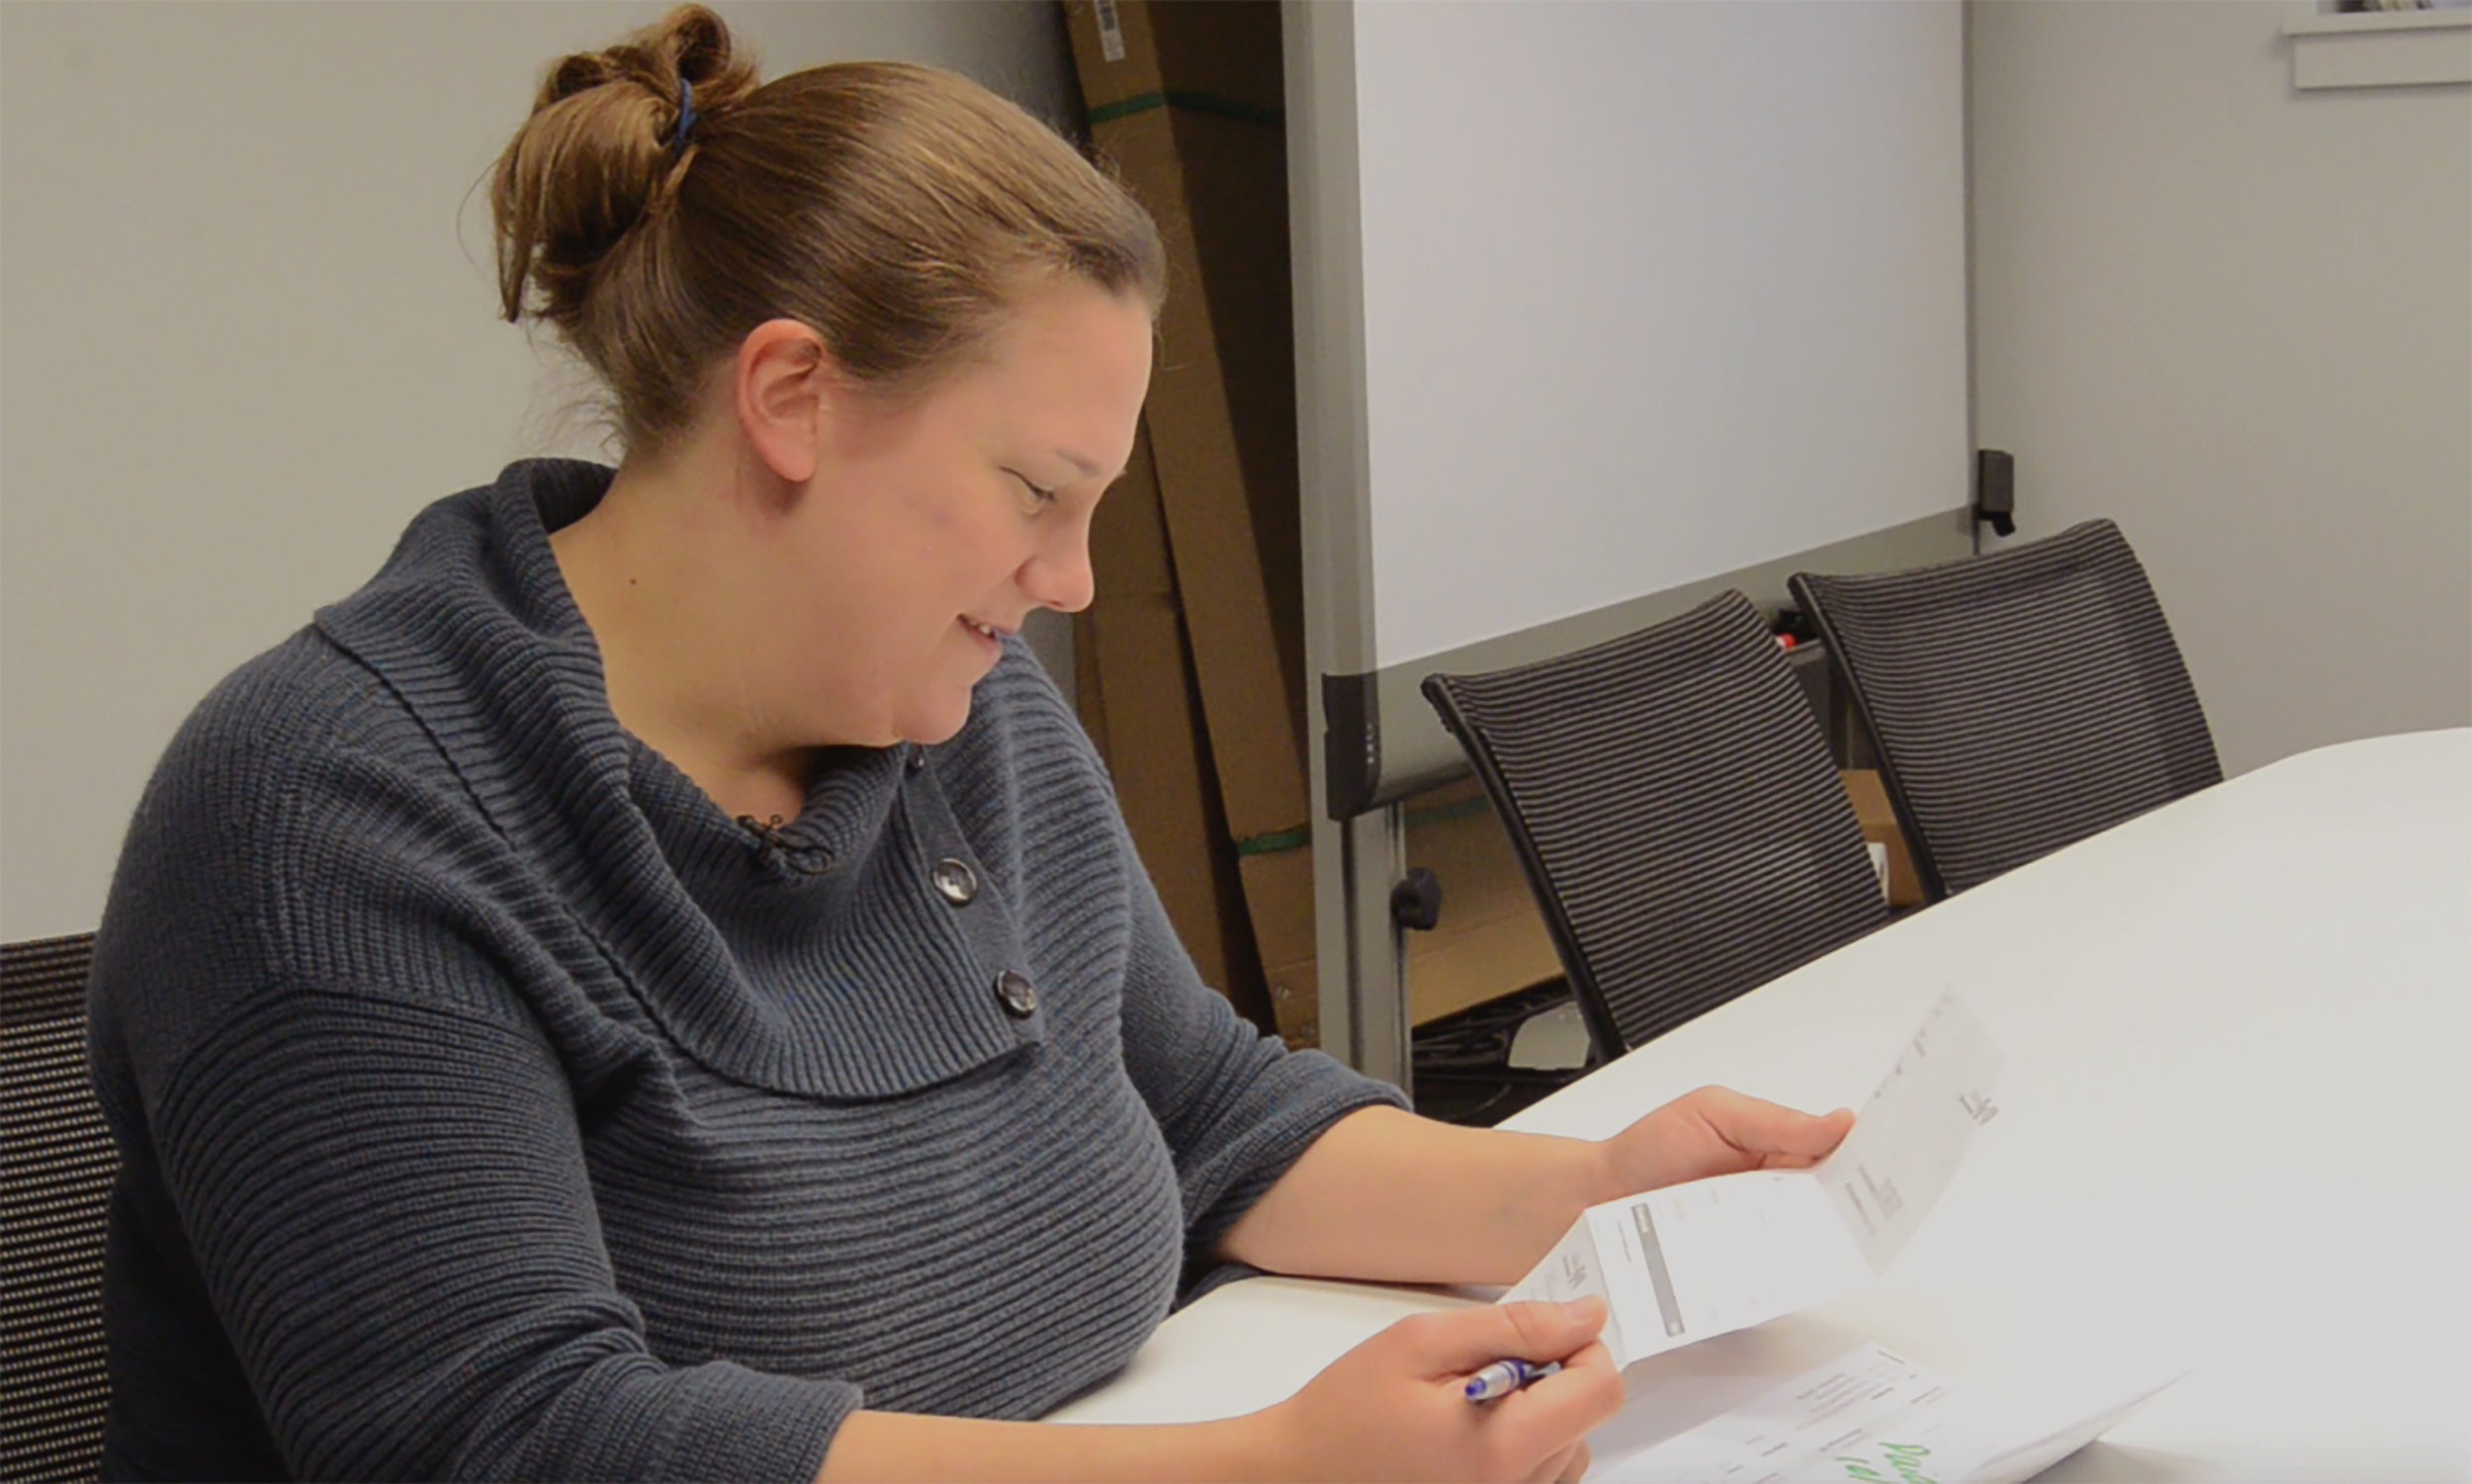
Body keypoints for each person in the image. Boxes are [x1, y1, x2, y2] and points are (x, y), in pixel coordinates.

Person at [83, 9, 1852, 1481]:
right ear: (792, 399)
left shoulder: (955, 707)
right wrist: (1263, 1468)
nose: (1069, 580)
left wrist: (1596, 1192)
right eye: (1033, 492)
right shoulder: (329, 809)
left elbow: (1213, 1113)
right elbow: (520, 1442)